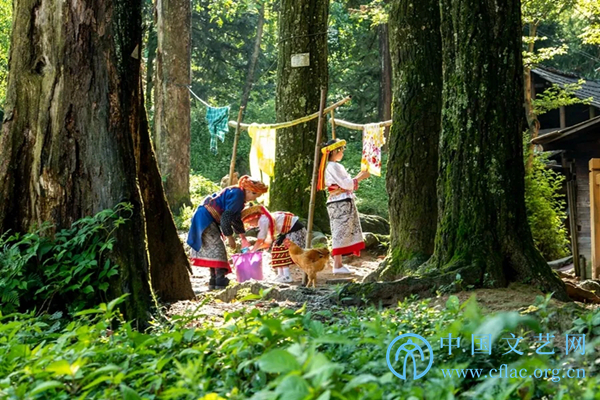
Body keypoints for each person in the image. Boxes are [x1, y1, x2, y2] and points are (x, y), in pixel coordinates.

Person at [187, 175, 269, 290]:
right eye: (255, 196)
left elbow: (235, 218)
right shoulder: (238, 195)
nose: (254, 199)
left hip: (205, 216)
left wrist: (243, 238)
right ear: (249, 191)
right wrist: (230, 237)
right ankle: (219, 279)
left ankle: (214, 280)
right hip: (205, 217)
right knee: (218, 249)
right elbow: (226, 218)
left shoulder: (238, 195)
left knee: (213, 248)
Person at [317, 138, 370, 274]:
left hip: (338, 200)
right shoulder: (333, 166)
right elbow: (346, 184)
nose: (343, 152)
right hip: (340, 202)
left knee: (340, 231)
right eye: (341, 150)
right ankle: (337, 264)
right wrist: (360, 177)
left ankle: (338, 264)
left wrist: (359, 176)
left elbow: (346, 183)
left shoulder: (331, 166)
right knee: (340, 232)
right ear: (335, 151)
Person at [241, 205, 306, 283]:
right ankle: (281, 275)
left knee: (282, 249)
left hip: (295, 230)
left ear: (254, 217)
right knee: (276, 248)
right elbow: (267, 242)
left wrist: (252, 250)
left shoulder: (263, 220)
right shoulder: (265, 219)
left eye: (249, 222)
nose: (250, 225)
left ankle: (287, 276)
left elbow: (260, 239)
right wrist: (254, 249)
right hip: (287, 231)